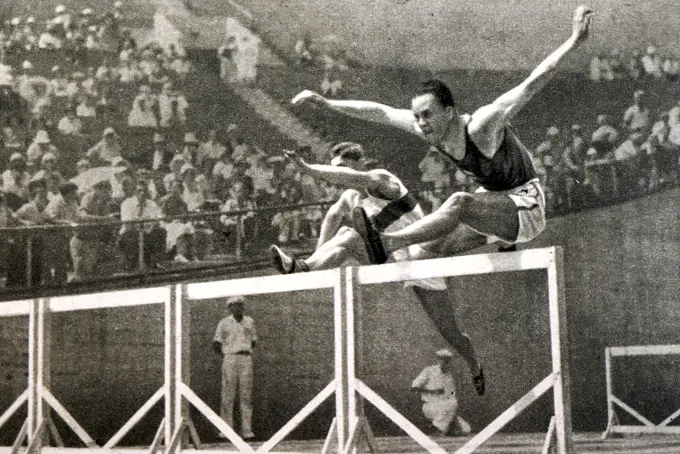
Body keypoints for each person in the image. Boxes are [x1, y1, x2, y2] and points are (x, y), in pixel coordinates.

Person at [290, 6, 593, 264]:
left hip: (526, 205)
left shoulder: (481, 126)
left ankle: (388, 241)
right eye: (417, 116)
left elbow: (531, 84)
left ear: (449, 111)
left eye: (427, 115)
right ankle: (339, 258)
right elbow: (379, 112)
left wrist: (575, 40)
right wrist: (326, 102)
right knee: (429, 251)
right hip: (491, 204)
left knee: (459, 202)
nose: (420, 123)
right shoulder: (428, 127)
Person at [269, 142, 485, 395]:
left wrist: (308, 169)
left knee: (449, 331)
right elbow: (332, 215)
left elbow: (350, 178)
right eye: (334, 168)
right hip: (386, 255)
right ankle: (303, 268)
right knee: (346, 234)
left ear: (359, 164)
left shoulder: (383, 179)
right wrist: (317, 256)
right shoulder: (350, 197)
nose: (338, 174)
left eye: (342, 168)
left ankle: (474, 364)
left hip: (421, 257)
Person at [213, 296, 257, 441]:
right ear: (229, 308)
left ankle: (247, 430)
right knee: (228, 394)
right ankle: (225, 430)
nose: (237, 308)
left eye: (240, 305)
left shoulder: (249, 321)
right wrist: (229, 355)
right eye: (234, 305)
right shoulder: (224, 323)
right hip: (230, 358)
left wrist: (243, 351)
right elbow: (216, 344)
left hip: (246, 359)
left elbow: (253, 341)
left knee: (246, 395)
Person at [411, 349, 472, 436]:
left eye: (447, 361)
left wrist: (453, 415)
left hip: (446, 408)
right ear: (438, 360)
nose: (445, 362)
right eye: (443, 360)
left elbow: (451, 395)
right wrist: (433, 391)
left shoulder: (449, 376)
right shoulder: (429, 370)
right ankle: (440, 430)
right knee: (452, 404)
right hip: (431, 405)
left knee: (466, 430)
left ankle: (444, 427)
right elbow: (414, 387)